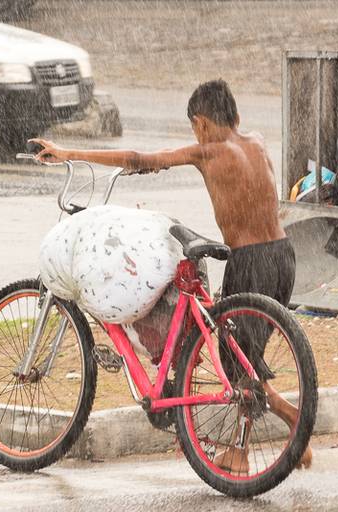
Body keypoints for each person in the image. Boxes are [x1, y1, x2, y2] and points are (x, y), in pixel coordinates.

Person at [30, 78, 311, 474]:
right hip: (283, 255)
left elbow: (137, 157)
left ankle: (257, 443)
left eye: (195, 127)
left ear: (201, 123)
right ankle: (280, 427)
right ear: (235, 116)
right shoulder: (257, 143)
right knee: (246, 357)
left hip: (251, 261)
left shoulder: (207, 151)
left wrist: (67, 153)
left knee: (236, 362)